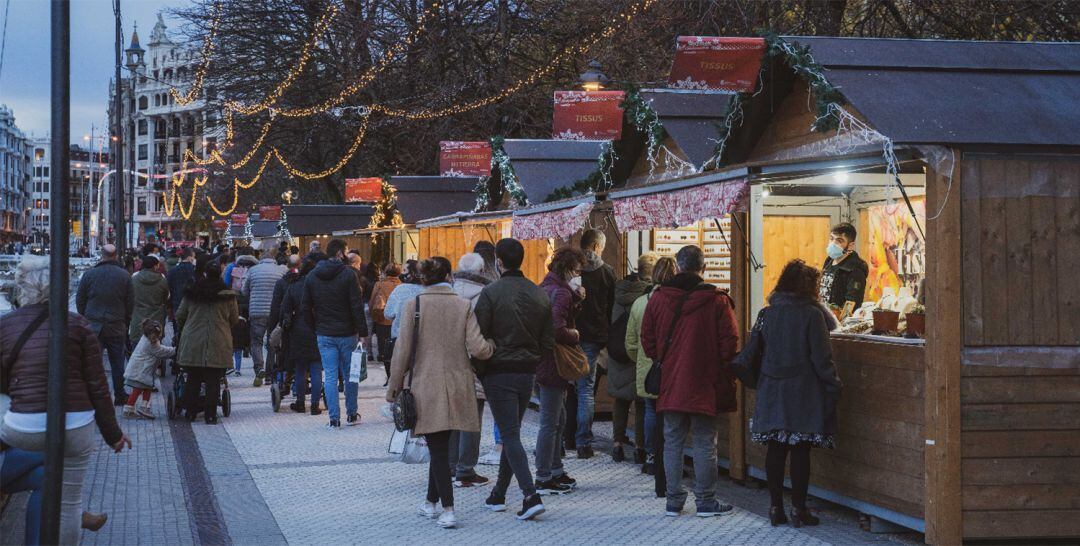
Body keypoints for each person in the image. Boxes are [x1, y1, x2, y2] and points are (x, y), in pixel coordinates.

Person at [1, 255, 132, 544]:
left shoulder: (6, 326)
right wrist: (113, 435)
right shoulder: (78, 325)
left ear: (20, 286)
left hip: (20, 427)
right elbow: (98, 386)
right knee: (68, 500)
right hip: (75, 426)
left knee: (49, 475)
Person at [386, 257, 495, 529]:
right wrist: (492, 346)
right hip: (458, 385)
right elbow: (479, 348)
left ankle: (448, 509)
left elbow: (402, 351)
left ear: (423, 278)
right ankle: (429, 502)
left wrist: (393, 387)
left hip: (426, 385)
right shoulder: (462, 305)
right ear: (448, 275)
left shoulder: (415, 305)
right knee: (440, 445)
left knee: (438, 448)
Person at [641, 245, 739, 518]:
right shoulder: (717, 300)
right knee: (705, 441)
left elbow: (646, 338)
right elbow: (730, 343)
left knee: (672, 441)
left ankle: (674, 501)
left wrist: (662, 359)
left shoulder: (659, 298)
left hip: (671, 382)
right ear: (703, 267)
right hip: (705, 382)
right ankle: (706, 501)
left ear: (679, 267)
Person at [752, 259, 843, 527]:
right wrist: (834, 385)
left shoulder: (766, 313)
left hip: (771, 388)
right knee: (800, 450)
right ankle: (799, 509)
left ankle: (774, 507)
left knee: (776, 449)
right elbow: (822, 359)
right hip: (802, 391)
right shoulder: (813, 315)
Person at [474, 238, 554, 521]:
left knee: (509, 434)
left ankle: (530, 495)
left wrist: (480, 369)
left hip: (499, 371)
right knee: (512, 433)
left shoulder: (491, 293)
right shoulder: (538, 293)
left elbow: (478, 337)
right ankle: (498, 493)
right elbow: (548, 339)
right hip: (527, 371)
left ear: (498, 261)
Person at [534, 247, 587, 496]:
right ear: (567, 269)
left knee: (557, 418)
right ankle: (544, 476)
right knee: (551, 421)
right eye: (577, 271)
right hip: (554, 361)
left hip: (543, 359)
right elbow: (557, 328)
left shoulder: (546, 286)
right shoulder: (562, 292)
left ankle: (555, 470)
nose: (579, 275)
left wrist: (577, 300)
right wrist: (574, 335)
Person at [302, 239, 367, 428]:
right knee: (350, 374)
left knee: (329, 375)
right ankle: (352, 414)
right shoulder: (348, 275)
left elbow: (306, 306)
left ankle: (334, 418)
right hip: (347, 333)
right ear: (339, 253)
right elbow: (356, 305)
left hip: (324, 332)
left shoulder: (313, 276)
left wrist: (315, 326)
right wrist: (362, 331)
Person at [626, 256, 676, 488]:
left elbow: (631, 342)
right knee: (673, 417)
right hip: (674, 370)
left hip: (648, 370)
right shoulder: (677, 302)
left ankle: (650, 455)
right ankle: (671, 459)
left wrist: (643, 361)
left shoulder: (640, 303)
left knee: (650, 412)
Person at [448, 253, 493, 488]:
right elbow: (478, 341)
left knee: (453, 416)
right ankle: (466, 469)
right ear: (482, 269)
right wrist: (489, 349)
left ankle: (451, 464)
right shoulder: (485, 295)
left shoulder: (449, 293)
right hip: (474, 365)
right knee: (472, 419)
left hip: (448, 365)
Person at [607, 252, 657, 464]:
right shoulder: (646, 296)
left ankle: (617, 444)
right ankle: (639, 447)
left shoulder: (619, 290)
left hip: (617, 351)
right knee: (641, 403)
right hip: (637, 353)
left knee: (620, 399)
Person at [176, 259, 240, 424]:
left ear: (204, 273)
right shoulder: (228, 296)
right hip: (218, 340)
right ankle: (210, 415)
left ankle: (190, 412)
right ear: (220, 273)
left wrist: (187, 329)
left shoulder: (192, 292)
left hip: (193, 340)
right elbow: (234, 319)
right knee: (213, 380)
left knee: (193, 378)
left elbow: (180, 316)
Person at [570, 229, 616, 458]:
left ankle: (566, 438)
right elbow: (611, 308)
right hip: (594, 338)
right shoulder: (607, 273)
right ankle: (583, 443)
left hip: (569, 336)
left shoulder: (571, 271)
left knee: (569, 388)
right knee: (586, 390)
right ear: (597, 246)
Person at [75, 243, 134, 405]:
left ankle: (93, 395)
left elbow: (80, 300)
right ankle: (120, 395)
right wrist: (125, 321)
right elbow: (130, 303)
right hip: (116, 325)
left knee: (93, 362)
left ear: (102, 255)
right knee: (117, 363)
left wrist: (86, 318)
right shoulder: (124, 276)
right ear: (115, 256)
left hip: (94, 325)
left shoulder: (89, 275)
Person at [280, 257, 323, 415]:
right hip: (317, 329)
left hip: (298, 330)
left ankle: (299, 403)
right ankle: (314, 405)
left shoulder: (293, 286)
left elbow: (285, 309)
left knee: (300, 369)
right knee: (316, 368)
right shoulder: (319, 286)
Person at [244, 248, 287, 386]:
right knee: (272, 342)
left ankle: (259, 368)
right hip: (274, 312)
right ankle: (269, 374)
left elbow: (244, 291)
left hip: (256, 311)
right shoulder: (281, 271)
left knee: (256, 342)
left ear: (261, 259)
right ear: (273, 259)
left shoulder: (252, 271)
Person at [123, 319, 175, 419]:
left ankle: (144, 407)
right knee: (137, 390)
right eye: (154, 335)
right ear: (148, 333)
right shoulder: (150, 344)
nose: (155, 337)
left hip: (142, 370)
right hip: (140, 371)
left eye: (157, 335)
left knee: (148, 387)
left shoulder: (146, 338)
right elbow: (161, 351)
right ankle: (128, 410)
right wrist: (174, 350)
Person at [819, 222, 869, 315]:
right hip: (823, 317)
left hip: (838, 323)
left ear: (851, 245)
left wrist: (840, 321)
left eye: (839, 241)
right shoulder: (829, 260)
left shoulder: (856, 269)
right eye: (831, 238)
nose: (833, 243)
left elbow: (852, 303)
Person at [128, 255, 170, 352]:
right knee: (156, 348)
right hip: (156, 319)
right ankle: (158, 366)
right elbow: (166, 298)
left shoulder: (134, 279)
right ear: (155, 266)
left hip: (138, 318)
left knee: (137, 350)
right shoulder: (162, 280)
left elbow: (129, 298)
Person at [369, 263, 402, 380]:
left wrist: (373, 316)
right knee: (397, 348)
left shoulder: (379, 285)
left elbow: (372, 302)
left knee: (384, 349)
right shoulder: (401, 286)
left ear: (386, 272)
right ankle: (396, 375)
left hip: (382, 319)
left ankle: (389, 376)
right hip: (397, 321)